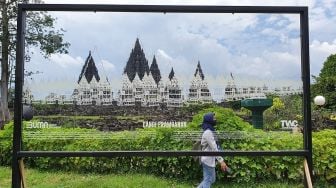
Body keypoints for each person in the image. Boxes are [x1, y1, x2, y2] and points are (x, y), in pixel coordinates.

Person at [197, 112, 228, 188]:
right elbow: (214, 148)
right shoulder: (208, 132)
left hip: (209, 159)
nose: (215, 119)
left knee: (211, 179)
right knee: (208, 180)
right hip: (207, 160)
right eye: (213, 118)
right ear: (209, 120)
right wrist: (221, 161)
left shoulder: (210, 131)